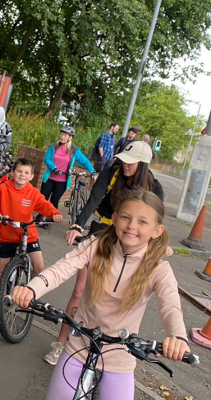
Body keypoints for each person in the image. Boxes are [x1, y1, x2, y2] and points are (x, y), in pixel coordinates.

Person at [12, 188, 190, 400]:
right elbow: (62, 268)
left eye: (142, 222)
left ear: (156, 231)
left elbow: (170, 305)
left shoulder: (159, 268)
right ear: (114, 218)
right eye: (125, 217)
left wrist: (177, 337)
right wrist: (31, 288)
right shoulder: (95, 246)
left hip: (120, 355)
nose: (132, 226)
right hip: (79, 344)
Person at [42, 141, 164, 365]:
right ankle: (61, 344)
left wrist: (160, 248)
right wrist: (78, 225)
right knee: (80, 290)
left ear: (143, 164)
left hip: (131, 242)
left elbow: (156, 225)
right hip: (103, 230)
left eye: (130, 162)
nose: (124, 165)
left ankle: (108, 355)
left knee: (120, 297)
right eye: (123, 160)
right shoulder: (112, 173)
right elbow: (93, 200)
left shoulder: (154, 187)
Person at [0, 158, 63, 320]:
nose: (22, 175)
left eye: (26, 173)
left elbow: (43, 205)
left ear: (31, 176)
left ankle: (31, 295)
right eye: (19, 171)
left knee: (39, 266)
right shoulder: (4, 188)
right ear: (12, 172)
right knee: (0, 268)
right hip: (8, 234)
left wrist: (54, 213)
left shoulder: (32, 192)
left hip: (28, 233)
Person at [37, 126, 95, 229]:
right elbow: (47, 159)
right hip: (50, 177)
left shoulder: (74, 150)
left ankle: (51, 219)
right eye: (62, 134)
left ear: (70, 137)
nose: (62, 136)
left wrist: (92, 171)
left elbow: (85, 161)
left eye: (65, 135)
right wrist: (54, 168)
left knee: (55, 199)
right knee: (43, 198)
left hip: (62, 180)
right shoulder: (54, 146)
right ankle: (40, 215)